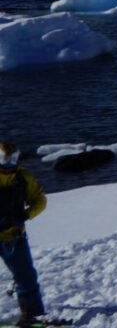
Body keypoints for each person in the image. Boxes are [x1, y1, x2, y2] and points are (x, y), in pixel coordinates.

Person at [0, 140, 48, 327]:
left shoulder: (22, 177)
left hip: (14, 236)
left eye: (14, 159)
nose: (10, 164)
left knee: (25, 276)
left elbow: (39, 201)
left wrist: (25, 215)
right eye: (6, 160)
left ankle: (31, 315)